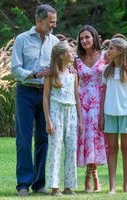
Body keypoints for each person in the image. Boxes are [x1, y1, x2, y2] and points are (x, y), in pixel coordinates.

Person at [11, 4, 59, 196]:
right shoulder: (21, 39)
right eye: (51, 22)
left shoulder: (55, 41)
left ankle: (39, 184)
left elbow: (61, 66)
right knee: (23, 139)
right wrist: (35, 74)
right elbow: (15, 69)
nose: (54, 25)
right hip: (25, 92)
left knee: (43, 138)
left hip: (47, 94)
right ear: (39, 21)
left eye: (55, 22)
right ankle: (23, 184)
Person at [43, 41, 83, 196]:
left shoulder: (73, 74)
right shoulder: (51, 75)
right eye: (70, 52)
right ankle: (54, 187)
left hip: (71, 112)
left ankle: (69, 186)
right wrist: (48, 121)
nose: (73, 54)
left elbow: (77, 97)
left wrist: (80, 120)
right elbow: (45, 98)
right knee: (55, 149)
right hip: (56, 112)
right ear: (61, 56)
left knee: (72, 149)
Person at [75, 25, 108, 193]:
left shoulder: (105, 56)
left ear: (94, 37)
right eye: (81, 38)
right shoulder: (76, 59)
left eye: (87, 37)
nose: (84, 40)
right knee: (86, 139)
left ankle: (92, 174)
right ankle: (91, 174)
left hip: (100, 101)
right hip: (82, 103)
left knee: (95, 139)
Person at [100, 36, 127, 194]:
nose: (107, 51)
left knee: (125, 148)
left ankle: (125, 185)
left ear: (120, 51)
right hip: (110, 113)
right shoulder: (106, 70)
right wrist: (101, 115)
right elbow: (104, 94)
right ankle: (112, 187)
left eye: (111, 48)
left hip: (126, 113)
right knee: (112, 149)